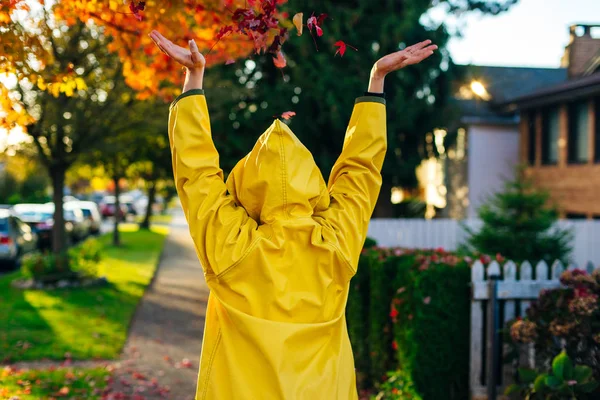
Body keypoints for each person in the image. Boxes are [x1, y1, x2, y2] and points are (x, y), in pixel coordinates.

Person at [150, 30, 437, 400]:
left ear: (247, 184)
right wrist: (375, 81)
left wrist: (194, 80)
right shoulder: (335, 244)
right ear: (312, 183)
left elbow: (196, 174)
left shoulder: (231, 246)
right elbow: (361, 173)